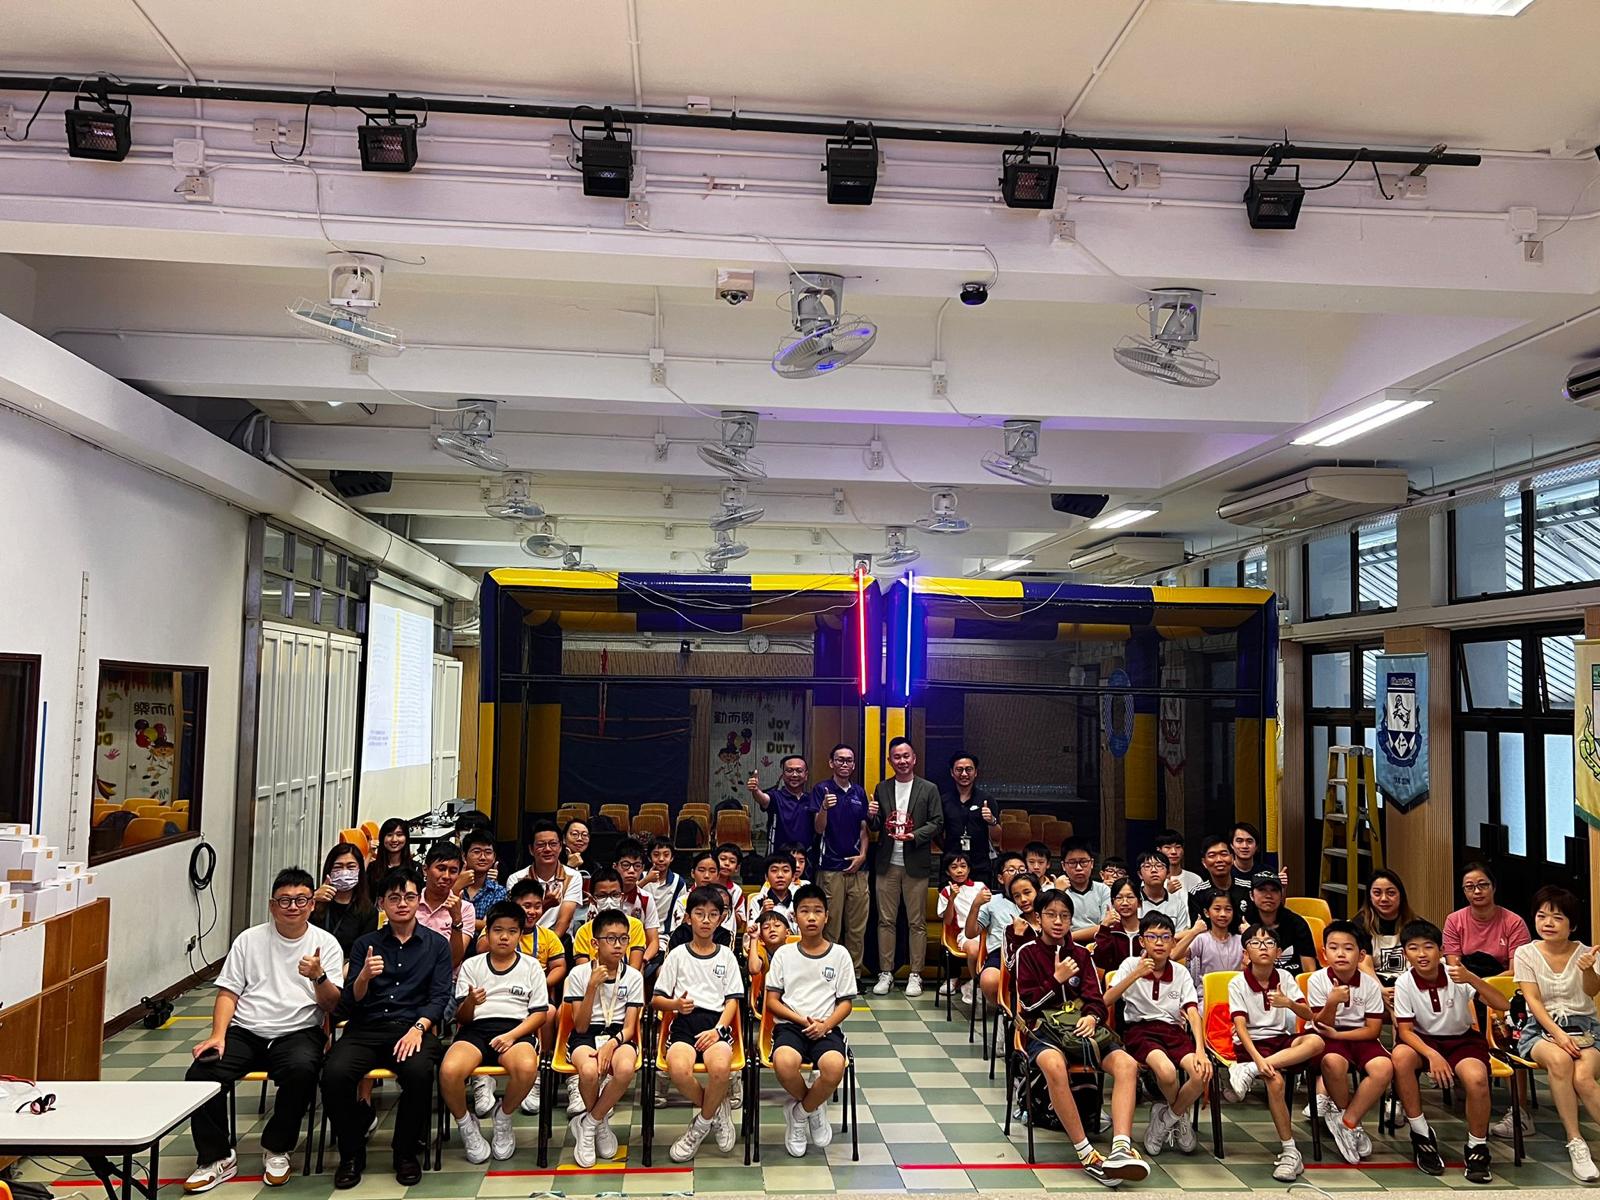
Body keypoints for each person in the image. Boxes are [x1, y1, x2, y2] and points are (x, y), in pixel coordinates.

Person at [182, 868, 344, 1193]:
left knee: (303, 1070)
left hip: (298, 1030)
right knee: (200, 1073)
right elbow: (228, 992)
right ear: (272, 905)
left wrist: (318, 976)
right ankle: (216, 1157)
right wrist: (218, 1034)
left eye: (301, 900)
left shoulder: (325, 943)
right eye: (284, 900)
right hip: (246, 1030)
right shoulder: (249, 940)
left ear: (312, 904)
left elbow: (331, 1004)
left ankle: (277, 1147)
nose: (293, 906)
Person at [323, 865, 450, 1189]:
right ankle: (351, 1153)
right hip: (366, 1028)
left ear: (418, 899)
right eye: (394, 898)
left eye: (409, 896)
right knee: (334, 1074)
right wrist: (364, 976)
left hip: (412, 1028)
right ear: (382, 903)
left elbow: (439, 997)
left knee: (419, 1073)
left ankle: (405, 1152)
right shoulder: (365, 944)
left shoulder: (436, 945)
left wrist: (418, 1028)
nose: (402, 904)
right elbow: (350, 1001)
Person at [1015, 888, 1148, 1185]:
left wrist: (1091, 1016)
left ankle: (1121, 1148)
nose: (1058, 922)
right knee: (1053, 1065)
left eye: (1065, 916)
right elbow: (1027, 1006)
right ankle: (1086, 1153)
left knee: (1127, 1065)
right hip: (1043, 1030)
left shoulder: (1081, 954)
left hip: (1083, 1029)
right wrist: (1056, 979)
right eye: (1051, 915)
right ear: (1038, 918)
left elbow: (1096, 1000)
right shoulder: (1027, 953)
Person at [1391, 918, 1507, 1184]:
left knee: (1476, 1079)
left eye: (1428, 946)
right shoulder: (1404, 983)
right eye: (1413, 948)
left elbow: (1503, 1004)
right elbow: (1405, 1031)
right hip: (1423, 1040)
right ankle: (1421, 1133)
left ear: (1441, 950)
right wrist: (1433, 1055)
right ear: (1405, 953)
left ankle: (1477, 1147)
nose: (1421, 954)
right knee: (1400, 1057)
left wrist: (1471, 978)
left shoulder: (1458, 975)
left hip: (1462, 1040)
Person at [443, 901, 548, 1163]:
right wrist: (470, 1002)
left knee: (527, 1068)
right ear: (487, 932)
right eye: (498, 930)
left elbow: (539, 1014)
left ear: (520, 935)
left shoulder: (532, 966)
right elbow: (461, 1018)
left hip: (516, 1029)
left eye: (512, 931)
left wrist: (512, 1036)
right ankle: (466, 1125)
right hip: (475, 1029)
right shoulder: (472, 965)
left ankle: (503, 1116)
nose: (504, 937)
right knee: (449, 1071)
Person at [1222, 924, 1325, 1182]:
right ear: (1245, 953)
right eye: (1255, 943)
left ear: (1278, 952)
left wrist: (1288, 1002)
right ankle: (1290, 1151)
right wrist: (1257, 1059)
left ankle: (1248, 1071)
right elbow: (1240, 1027)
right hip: (1251, 1044)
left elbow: (1308, 1015)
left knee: (1316, 1042)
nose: (1263, 948)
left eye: (1269, 943)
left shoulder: (1286, 978)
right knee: (1276, 1082)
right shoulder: (1237, 983)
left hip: (1280, 1041)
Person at [1511, 884, 1600, 1181]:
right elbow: (1533, 1001)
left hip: (1586, 1027)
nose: (1548, 923)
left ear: (1572, 925)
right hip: (1540, 1029)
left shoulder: (1587, 953)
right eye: (1542, 916)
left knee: (1583, 1078)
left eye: (1557, 917)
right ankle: (1576, 1142)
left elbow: (1592, 992)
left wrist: (1588, 970)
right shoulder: (1525, 953)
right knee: (1560, 1062)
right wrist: (1559, 1036)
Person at [1103, 912, 1211, 1158]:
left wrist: (1200, 1050)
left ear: (1173, 942)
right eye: (1152, 936)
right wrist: (1136, 974)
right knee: (1166, 1072)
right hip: (1140, 1031)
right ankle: (1179, 1115)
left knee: (1201, 1073)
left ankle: (1167, 1117)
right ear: (1142, 941)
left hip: (1173, 1031)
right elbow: (1106, 1000)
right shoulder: (1130, 964)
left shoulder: (1180, 972)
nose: (1159, 942)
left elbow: (1192, 1012)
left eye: (1165, 937)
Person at [653, 885, 744, 1160]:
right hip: (684, 1023)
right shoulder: (677, 955)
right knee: (678, 1069)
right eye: (699, 913)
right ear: (688, 917)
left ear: (721, 918)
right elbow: (657, 1000)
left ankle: (700, 1125)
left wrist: (718, 1031)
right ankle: (716, 1108)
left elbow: (733, 1001)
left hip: (716, 1023)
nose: (706, 920)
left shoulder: (727, 956)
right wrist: (675, 1005)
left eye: (713, 914)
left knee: (721, 1068)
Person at [765, 884, 855, 1158]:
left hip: (826, 1027)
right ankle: (813, 1107)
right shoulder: (784, 954)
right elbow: (772, 1002)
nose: (812, 917)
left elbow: (846, 1003)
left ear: (827, 916)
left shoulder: (840, 954)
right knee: (784, 1063)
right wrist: (802, 1020)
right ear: (795, 917)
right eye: (805, 911)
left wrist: (825, 1025)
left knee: (834, 1067)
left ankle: (799, 1112)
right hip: (791, 1026)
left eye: (818, 911)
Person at [562, 908, 644, 1169]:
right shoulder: (578, 974)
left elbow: (630, 1027)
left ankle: (589, 1123)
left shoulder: (633, 976)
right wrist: (591, 987)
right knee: (588, 1071)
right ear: (595, 944)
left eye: (623, 939)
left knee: (625, 1068)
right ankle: (600, 1122)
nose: (618, 945)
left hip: (619, 1035)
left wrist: (612, 1043)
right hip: (585, 1034)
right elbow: (580, 1025)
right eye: (611, 938)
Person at [1306, 920, 1392, 1166]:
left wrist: (1339, 1036)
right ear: (1324, 954)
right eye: (1334, 948)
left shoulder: (1370, 985)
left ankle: (1348, 1122)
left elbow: (1373, 1030)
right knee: (1333, 1062)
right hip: (1325, 1036)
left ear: (1361, 955)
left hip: (1358, 1036)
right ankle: (1343, 1111)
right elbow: (1321, 1025)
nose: (1341, 954)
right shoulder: (1317, 980)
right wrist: (1332, 1002)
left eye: (1348, 948)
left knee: (1384, 1067)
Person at [867, 737, 944, 997]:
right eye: (897, 757)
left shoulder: (929, 788)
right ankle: (886, 972)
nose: (902, 761)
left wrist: (915, 835)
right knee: (885, 921)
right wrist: (871, 814)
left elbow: (937, 822)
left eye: (906, 756)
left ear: (914, 758)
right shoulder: (882, 788)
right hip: (887, 863)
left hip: (915, 863)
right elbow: (877, 825)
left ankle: (915, 974)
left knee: (916, 922)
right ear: (890, 761)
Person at [491, 878, 568, 1117]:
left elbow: (559, 966)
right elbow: (483, 950)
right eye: (526, 906)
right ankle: (484, 1079)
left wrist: (540, 984)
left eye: (537, 906)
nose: (532, 911)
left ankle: (539, 1070)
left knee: (550, 1011)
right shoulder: (498, 932)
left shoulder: (547, 936)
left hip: (535, 996)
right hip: (501, 997)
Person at [811, 743, 871, 977]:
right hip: (830, 867)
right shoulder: (821, 789)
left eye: (849, 760)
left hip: (858, 868)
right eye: (840, 759)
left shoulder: (859, 793)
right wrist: (824, 808)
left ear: (854, 765)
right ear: (831, 763)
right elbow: (818, 828)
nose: (844, 764)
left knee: (857, 927)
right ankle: (829, 974)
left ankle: (854, 974)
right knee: (831, 925)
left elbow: (864, 829)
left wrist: (863, 855)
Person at [1444, 861, 1530, 976]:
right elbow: (1455, 967)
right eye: (1469, 887)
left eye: (1483, 885)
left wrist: (1484, 984)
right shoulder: (1454, 920)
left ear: (1493, 887)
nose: (1477, 891)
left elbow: (1516, 971)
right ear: (1464, 891)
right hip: (1465, 982)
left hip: (1503, 982)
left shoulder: (1514, 922)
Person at [966, 853, 1024, 1011]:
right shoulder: (992, 902)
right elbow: (971, 933)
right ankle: (1004, 1011)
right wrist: (976, 905)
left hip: (1031, 951)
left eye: (1022, 869)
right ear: (1000, 878)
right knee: (989, 980)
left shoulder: (1036, 899)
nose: (1017, 873)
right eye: (1011, 870)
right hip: (1001, 952)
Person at [506, 820, 583, 937]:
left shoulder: (573, 876)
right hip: (524, 938)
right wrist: (546, 904)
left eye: (553, 844)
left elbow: (564, 921)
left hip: (559, 940)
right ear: (531, 849)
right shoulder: (516, 879)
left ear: (560, 847)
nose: (547, 849)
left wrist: (549, 945)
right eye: (541, 845)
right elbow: (518, 920)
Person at [1353, 868, 1416, 996]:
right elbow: (1364, 964)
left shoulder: (1415, 924)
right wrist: (1380, 991)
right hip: (1372, 986)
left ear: (1401, 895)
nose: (1384, 899)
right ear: (1369, 896)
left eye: (1391, 893)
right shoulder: (1359, 924)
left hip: (1408, 987)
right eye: (1377, 893)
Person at [749, 754, 819, 865]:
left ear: (806, 775)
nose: (794, 774)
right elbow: (763, 799)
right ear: (783, 775)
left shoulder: (812, 799)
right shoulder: (775, 796)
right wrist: (755, 790)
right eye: (789, 770)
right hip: (778, 859)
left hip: (805, 860)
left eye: (799, 771)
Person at [311, 842, 378, 956]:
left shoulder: (368, 911)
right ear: (329, 870)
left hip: (347, 965)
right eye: (338, 867)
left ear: (360, 871)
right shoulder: (314, 900)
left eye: (351, 867)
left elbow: (362, 952)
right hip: (311, 961)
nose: (344, 872)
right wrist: (311, 899)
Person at [415, 841, 474, 972]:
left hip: (445, 979)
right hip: (410, 977)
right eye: (441, 869)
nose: (446, 876)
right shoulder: (410, 902)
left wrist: (457, 920)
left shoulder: (465, 909)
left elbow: (454, 961)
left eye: (453, 871)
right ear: (425, 870)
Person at [572, 868, 647, 969]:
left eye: (615, 895)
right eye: (602, 896)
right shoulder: (583, 932)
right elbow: (583, 971)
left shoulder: (635, 926)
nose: (609, 901)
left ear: (622, 897)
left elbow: (635, 967)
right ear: (592, 900)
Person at [941, 751, 998, 883]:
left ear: (976, 772)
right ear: (952, 772)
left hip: (980, 865)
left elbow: (997, 837)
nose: (964, 774)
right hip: (952, 865)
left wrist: (992, 821)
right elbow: (937, 832)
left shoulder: (986, 799)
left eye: (969, 769)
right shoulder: (943, 800)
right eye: (959, 770)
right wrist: (949, 848)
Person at [935, 850, 984, 1004]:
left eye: (963, 866)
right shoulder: (946, 891)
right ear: (947, 872)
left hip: (984, 931)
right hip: (965, 933)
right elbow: (947, 921)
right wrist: (952, 898)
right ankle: (977, 984)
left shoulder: (980, 887)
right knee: (974, 950)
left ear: (969, 869)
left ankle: (979, 984)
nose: (959, 870)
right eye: (954, 867)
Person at [1247, 871, 1316, 975]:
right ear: (1251, 895)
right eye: (1262, 890)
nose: (1268, 895)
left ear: (1281, 895)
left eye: (1274, 890)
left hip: (1293, 980)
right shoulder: (1245, 922)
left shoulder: (1297, 923)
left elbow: (1309, 970)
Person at [613, 838, 663, 971]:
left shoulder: (646, 898)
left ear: (642, 869)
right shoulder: (603, 896)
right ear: (615, 866)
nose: (631, 870)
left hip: (638, 956)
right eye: (625, 865)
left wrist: (643, 961)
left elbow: (654, 941)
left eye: (637, 866)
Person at [1182, 887, 1242, 989]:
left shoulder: (1240, 940)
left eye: (1228, 909)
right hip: (1206, 994)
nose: (1223, 914)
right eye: (1217, 909)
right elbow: (1174, 955)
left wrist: (1250, 934)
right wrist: (1193, 932)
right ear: (1206, 913)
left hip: (1235, 994)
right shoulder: (1202, 939)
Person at [1190, 834, 1251, 926]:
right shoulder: (1197, 893)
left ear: (1232, 858)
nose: (1219, 860)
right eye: (1212, 855)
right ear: (1204, 862)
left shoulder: (1248, 888)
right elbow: (1198, 928)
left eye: (1224, 854)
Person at [1059, 839, 1110, 943]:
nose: (1078, 868)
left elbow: (1106, 926)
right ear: (1063, 865)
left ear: (1092, 863)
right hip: (1066, 946)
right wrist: (1058, 892)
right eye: (1072, 863)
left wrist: (1068, 937)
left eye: (1083, 862)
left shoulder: (1103, 890)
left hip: (1097, 944)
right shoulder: (1057, 890)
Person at [1094, 876, 1145, 975]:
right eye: (1119, 898)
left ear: (1139, 902)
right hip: (1116, 982)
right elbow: (1099, 961)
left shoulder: (1147, 930)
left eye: (1130, 897)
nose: (1125, 903)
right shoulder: (1109, 932)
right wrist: (1104, 926)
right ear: (1112, 903)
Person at [458, 829, 507, 928]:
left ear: (494, 858)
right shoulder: (451, 883)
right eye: (476, 852)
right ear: (464, 856)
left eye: (488, 852)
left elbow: (491, 925)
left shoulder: (498, 891)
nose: (483, 857)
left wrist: (456, 919)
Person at [642, 836, 687, 938]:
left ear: (672, 858)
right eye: (656, 855)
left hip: (664, 934)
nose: (661, 859)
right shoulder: (641, 877)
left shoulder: (678, 882)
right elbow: (627, 896)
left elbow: (681, 910)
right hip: (640, 932)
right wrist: (646, 881)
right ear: (649, 857)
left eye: (666, 855)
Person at [745, 852, 800, 932]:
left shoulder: (799, 901)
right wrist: (763, 914)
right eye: (774, 870)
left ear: (793, 876)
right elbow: (751, 931)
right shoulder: (757, 901)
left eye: (785, 870)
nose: (780, 875)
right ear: (766, 877)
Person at [1134, 851, 1189, 927]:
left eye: (1159, 866)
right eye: (1147, 866)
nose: (1154, 870)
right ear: (1140, 874)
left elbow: (1181, 933)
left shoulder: (1178, 904)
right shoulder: (1133, 901)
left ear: (1168, 873)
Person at [1230, 822, 1287, 890]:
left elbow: (1276, 897)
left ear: (1256, 846)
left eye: (1249, 841)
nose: (1244, 846)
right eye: (1239, 841)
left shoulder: (1268, 872)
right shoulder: (1226, 872)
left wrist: (1282, 887)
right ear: (1232, 845)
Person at [368, 819, 414, 901]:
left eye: (399, 835)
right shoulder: (372, 867)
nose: (394, 839)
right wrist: (369, 854)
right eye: (389, 835)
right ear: (382, 838)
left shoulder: (414, 868)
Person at [1154, 829, 1202, 895]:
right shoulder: (1152, 879)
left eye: (1178, 847)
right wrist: (1167, 892)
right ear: (1159, 850)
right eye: (1168, 847)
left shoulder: (1195, 879)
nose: (1174, 852)